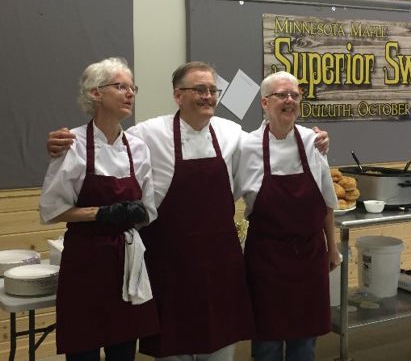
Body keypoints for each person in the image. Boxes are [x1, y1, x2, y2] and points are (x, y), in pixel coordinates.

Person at [46, 61, 331, 361]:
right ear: (178, 96)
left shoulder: (233, 134)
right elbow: (108, 140)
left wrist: (317, 140)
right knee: (173, 349)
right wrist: (58, 143)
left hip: (221, 266)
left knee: (220, 350)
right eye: (199, 89)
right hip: (171, 266)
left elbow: (275, 139)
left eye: (212, 90)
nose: (208, 96)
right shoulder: (147, 134)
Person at [39, 57, 159, 361]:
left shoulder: (138, 148)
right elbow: (52, 209)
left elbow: (148, 208)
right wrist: (100, 214)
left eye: (133, 87)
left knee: (123, 351)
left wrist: (138, 214)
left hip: (126, 263)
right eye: (121, 86)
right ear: (95, 93)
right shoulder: (73, 144)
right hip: (85, 264)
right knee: (84, 351)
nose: (130, 93)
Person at [234, 71, 340, 361]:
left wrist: (333, 248)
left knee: (304, 343)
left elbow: (327, 202)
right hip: (266, 259)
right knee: (267, 342)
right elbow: (226, 197)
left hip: (309, 254)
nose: (290, 99)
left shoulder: (313, 141)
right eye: (282, 94)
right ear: (265, 103)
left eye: (295, 94)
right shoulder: (246, 146)